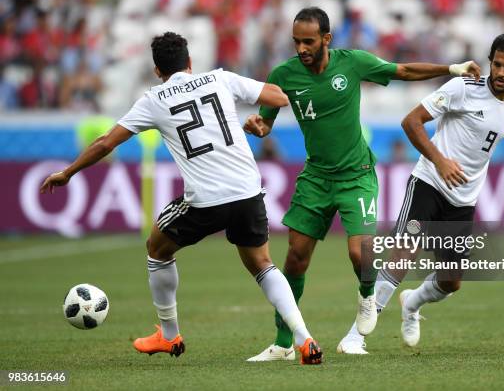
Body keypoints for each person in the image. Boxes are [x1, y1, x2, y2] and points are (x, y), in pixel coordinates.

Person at [40, 32, 323, 365]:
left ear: (158, 70)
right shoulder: (220, 78)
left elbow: (105, 143)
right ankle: (305, 339)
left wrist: (68, 172)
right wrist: (255, 118)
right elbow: (278, 97)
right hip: (248, 190)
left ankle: (169, 334)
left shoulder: (154, 98)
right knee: (262, 264)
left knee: (157, 248)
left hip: (206, 198)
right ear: (190, 63)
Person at [243, 7, 481, 359]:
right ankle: (283, 343)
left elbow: (401, 70)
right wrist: (258, 128)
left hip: (356, 175)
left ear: (327, 38)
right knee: (295, 258)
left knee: (360, 253)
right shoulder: (284, 75)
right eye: (296, 42)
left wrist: (452, 69)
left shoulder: (351, 63)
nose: (301, 48)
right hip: (316, 178)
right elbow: (266, 122)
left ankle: (367, 295)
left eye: (308, 41)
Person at [390, 33, 504, 347]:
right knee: (403, 254)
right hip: (429, 180)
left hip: (463, 198)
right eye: (496, 64)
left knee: (451, 282)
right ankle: (356, 335)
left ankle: (411, 304)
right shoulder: (462, 88)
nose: (500, 73)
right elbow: (411, 121)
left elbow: (481, 149)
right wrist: (440, 160)